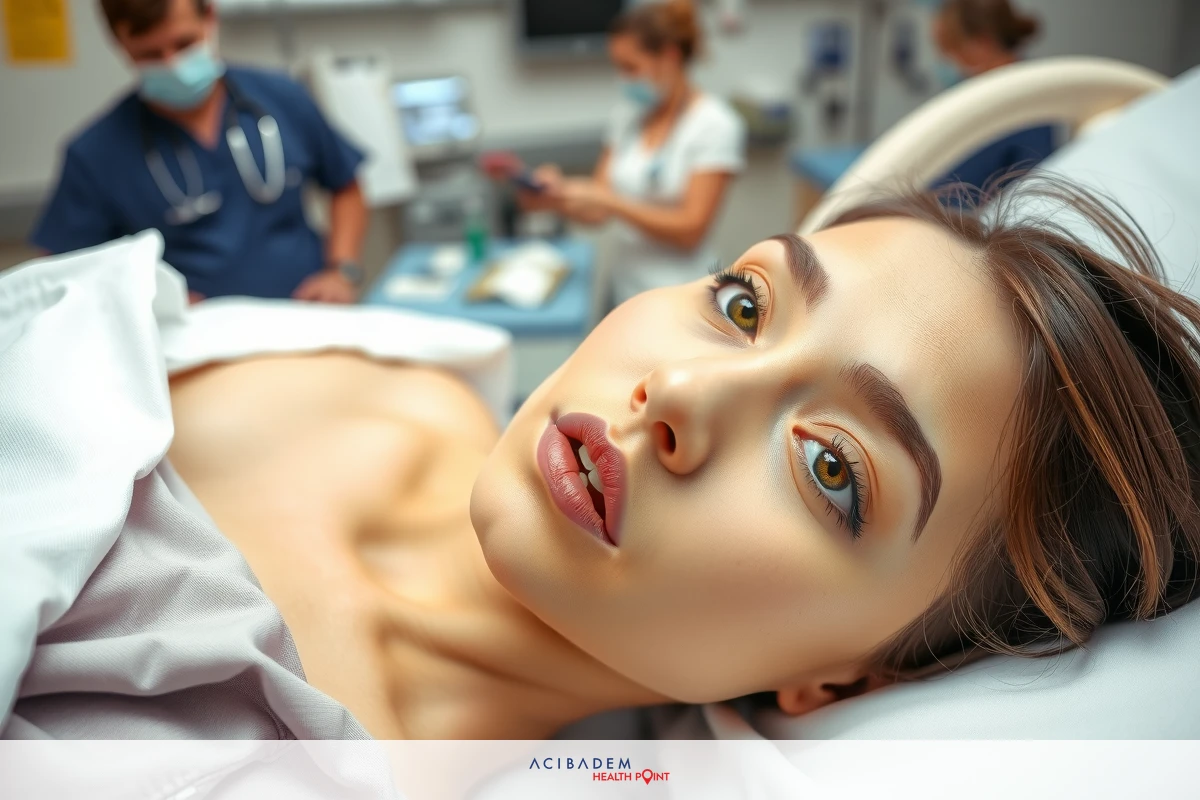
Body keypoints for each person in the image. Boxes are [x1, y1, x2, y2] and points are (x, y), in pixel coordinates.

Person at [165, 177, 1200, 738]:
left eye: (830, 467)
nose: (684, 394)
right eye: (745, 305)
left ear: (842, 682)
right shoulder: (382, 375)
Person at [30, 0, 369, 303]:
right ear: (121, 44)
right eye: (150, 54)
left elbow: (346, 185)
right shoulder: (96, 153)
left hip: (305, 311)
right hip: (189, 340)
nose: (173, 64)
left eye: (184, 44)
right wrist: (145, 304)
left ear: (210, 16)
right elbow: (63, 273)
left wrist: (342, 270)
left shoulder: (282, 97)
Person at [522, 0, 746, 307]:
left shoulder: (715, 124)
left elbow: (691, 229)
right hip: (625, 291)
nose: (623, 79)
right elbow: (598, 210)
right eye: (618, 68)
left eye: (630, 67)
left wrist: (610, 200)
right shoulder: (628, 116)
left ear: (669, 57)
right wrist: (555, 196)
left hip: (682, 298)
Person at [930, 0, 1054, 191]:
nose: (951, 62)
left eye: (954, 50)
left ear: (982, 44)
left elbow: (1029, 189)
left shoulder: (1028, 101)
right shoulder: (972, 97)